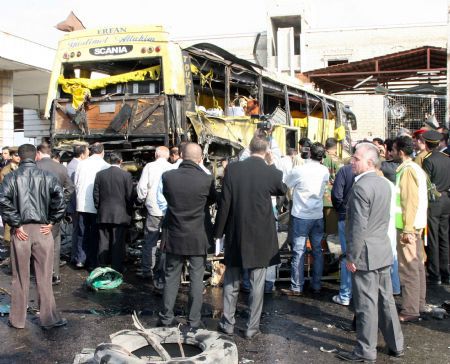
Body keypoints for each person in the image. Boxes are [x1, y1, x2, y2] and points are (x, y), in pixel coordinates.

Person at [337, 142, 403, 362]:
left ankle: (365, 351)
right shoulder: (384, 184)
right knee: (386, 301)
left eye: (356, 158)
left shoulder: (362, 187)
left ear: (370, 162)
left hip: (365, 253)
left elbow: (358, 226)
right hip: (382, 250)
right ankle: (396, 344)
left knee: (366, 305)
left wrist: (352, 257)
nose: (352, 162)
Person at [215, 137, 287, 339]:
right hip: (261, 236)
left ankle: (227, 323)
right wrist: (271, 163)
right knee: (257, 284)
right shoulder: (269, 171)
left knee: (231, 280)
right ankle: (251, 327)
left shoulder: (234, 170)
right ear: (266, 151)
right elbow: (282, 189)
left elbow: (225, 203)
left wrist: (218, 234)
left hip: (236, 232)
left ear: (248, 148)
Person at [0, 144, 67, 330]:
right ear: (36, 156)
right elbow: (60, 200)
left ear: (19, 157)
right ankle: (49, 319)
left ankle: (17, 320)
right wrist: (52, 221)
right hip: (42, 230)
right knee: (44, 276)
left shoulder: (11, 177)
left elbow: (3, 200)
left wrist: (16, 223)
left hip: (20, 231)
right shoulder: (47, 176)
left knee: (19, 277)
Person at [158, 143, 217, 329]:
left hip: (174, 233)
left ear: (181, 155)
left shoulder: (168, 177)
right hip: (198, 235)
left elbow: (167, 197)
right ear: (200, 159)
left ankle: (166, 317)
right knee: (196, 278)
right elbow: (213, 199)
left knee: (171, 276)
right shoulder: (207, 179)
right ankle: (194, 320)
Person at [281, 142, 329, 296]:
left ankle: (296, 287)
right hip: (317, 215)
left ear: (308, 152)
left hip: (301, 215)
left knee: (299, 251)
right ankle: (316, 284)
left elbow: (286, 184)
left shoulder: (299, 170)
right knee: (317, 251)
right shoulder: (324, 170)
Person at [392, 136, 428, 322]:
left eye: (394, 149)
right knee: (417, 266)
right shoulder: (416, 168)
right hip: (417, 225)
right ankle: (418, 304)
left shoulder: (406, 171)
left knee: (408, 268)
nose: (391, 152)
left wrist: (406, 229)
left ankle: (410, 309)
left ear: (401, 152)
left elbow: (409, 201)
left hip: (408, 227)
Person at [36, 143, 75, 284]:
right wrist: (61, 202)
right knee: (55, 241)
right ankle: (55, 274)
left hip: (38, 211)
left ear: (39, 153)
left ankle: (43, 273)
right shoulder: (60, 168)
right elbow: (70, 188)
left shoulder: (35, 166)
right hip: (56, 211)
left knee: (39, 243)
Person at [136, 146, 174, 278]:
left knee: (150, 240)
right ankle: (166, 270)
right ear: (168, 156)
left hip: (153, 209)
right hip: (169, 210)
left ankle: (147, 270)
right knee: (168, 241)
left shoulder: (149, 167)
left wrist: (141, 199)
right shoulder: (172, 168)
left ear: (156, 155)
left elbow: (142, 187)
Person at [93, 152, 134, 273]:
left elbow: (96, 194)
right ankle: (117, 267)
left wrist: (99, 208)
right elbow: (129, 196)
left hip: (103, 213)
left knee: (103, 240)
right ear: (120, 161)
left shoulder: (100, 175)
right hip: (120, 214)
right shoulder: (126, 175)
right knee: (118, 242)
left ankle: (102, 266)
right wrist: (129, 210)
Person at [74, 142, 109, 270]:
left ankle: (80, 259)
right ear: (102, 152)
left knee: (82, 233)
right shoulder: (105, 166)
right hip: (96, 205)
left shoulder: (81, 164)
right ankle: (93, 262)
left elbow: (76, 183)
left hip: (82, 204)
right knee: (95, 234)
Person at [422, 130, 450, 285]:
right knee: (444, 237)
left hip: (434, 201)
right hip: (447, 199)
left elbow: (426, 184)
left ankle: (435, 273)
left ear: (426, 144)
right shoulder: (447, 159)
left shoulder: (428, 160)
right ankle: (446, 273)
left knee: (433, 237)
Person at [331, 163, 355, 306]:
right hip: (365, 221)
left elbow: (336, 195)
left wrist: (341, 209)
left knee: (347, 255)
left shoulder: (345, 170)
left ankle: (346, 294)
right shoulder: (375, 174)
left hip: (345, 217)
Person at [66, 144, 90, 268]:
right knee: (78, 231)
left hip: (74, 203)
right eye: (87, 153)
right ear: (82, 154)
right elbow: (73, 188)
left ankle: (75, 256)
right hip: (76, 203)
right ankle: (76, 257)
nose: (88, 155)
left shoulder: (73, 165)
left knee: (76, 231)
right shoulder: (75, 166)